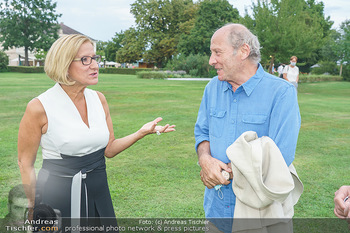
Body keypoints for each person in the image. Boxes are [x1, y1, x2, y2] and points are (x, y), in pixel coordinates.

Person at [17, 34, 175, 231]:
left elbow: (109, 149)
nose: (95, 65)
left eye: (95, 58)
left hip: (99, 191)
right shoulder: (39, 107)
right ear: (64, 64)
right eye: (85, 60)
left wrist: (141, 132)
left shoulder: (99, 99)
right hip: (58, 197)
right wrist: (34, 206)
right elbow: (25, 163)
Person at [194, 23, 300, 232]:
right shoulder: (212, 88)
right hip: (216, 212)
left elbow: (281, 156)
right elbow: (202, 133)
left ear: (243, 51)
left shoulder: (281, 92)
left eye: (217, 52)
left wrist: (226, 173)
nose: (211, 60)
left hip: (262, 216)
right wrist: (205, 159)